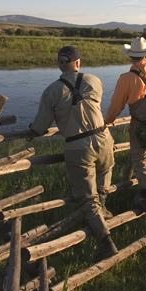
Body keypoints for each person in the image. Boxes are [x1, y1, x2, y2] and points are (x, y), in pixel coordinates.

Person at [29, 46, 118, 263]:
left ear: (59, 64)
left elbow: (41, 127)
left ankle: (105, 242)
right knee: (104, 175)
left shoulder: (51, 90)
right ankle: (103, 212)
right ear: (78, 64)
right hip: (104, 138)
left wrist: (31, 130)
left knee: (86, 196)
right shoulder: (94, 80)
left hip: (78, 145)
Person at [104, 37, 146, 214]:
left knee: (140, 161)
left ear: (130, 56)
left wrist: (108, 120)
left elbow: (116, 104)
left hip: (140, 124)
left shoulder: (126, 78)